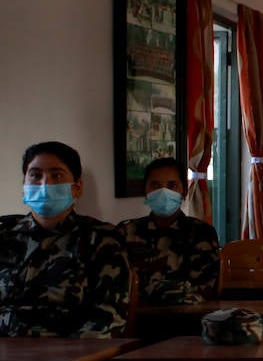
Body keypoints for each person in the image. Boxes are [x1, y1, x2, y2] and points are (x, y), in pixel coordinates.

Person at [0, 141, 131, 337]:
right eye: (35, 175)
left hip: (66, 359)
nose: (45, 184)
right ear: (24, 185)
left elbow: (108, 319)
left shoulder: (102, 240)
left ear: (77, 188)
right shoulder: (5, 234)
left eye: (57, 175)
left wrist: (63, 359)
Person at [115, 156, 220, 305]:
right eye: (155, 185)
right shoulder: (126, 232)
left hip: (186, 320)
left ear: (184, 192)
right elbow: (117, 286)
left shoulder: (202, 233)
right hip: (137, 321)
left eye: (172, 186)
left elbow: (203, 289)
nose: (163, 192)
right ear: (145, 191)